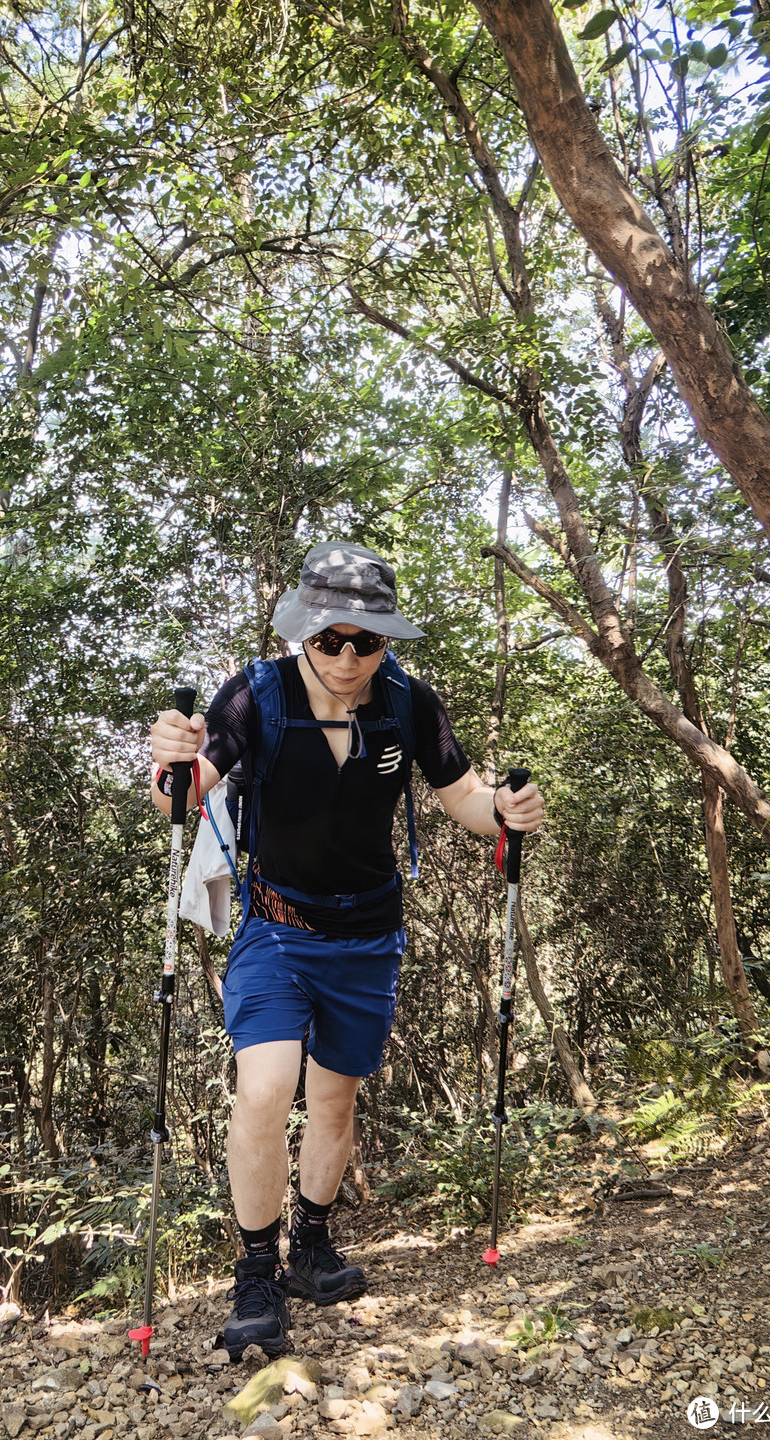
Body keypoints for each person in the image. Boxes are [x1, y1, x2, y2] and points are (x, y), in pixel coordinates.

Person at [149, 541, 544, 1360]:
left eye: (366, 640)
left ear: (386, 641)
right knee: (264, 1090)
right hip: (277, 928)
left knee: (334, 1101)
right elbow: (185, 794)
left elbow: (465, 796)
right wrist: (171, 760)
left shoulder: (407, 703)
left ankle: (311, 1245)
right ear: (303, 633)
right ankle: (257, 1277)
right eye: (329, 638)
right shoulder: (256, 695)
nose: (347, 656)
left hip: (369, 936)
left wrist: (508, 809)